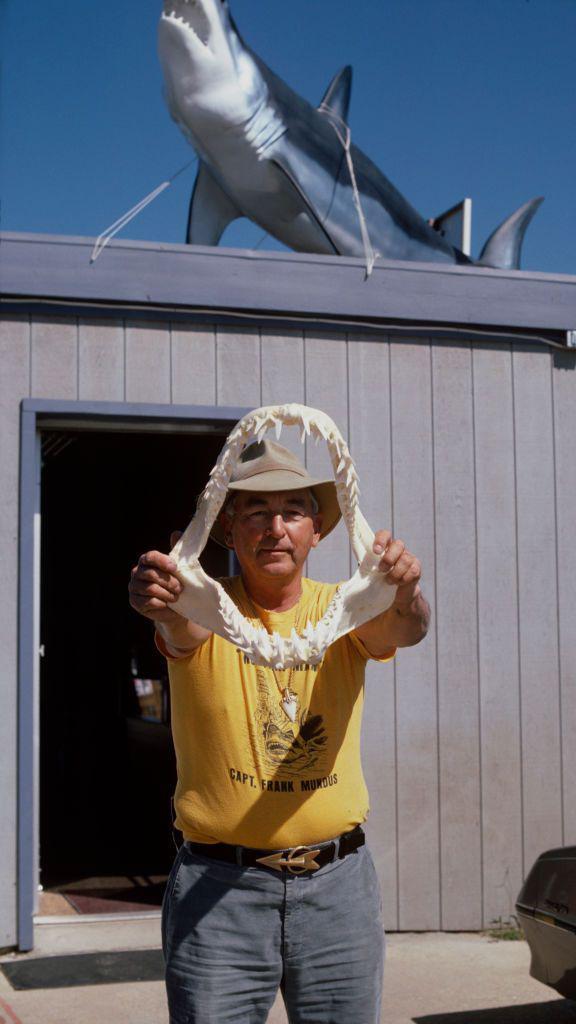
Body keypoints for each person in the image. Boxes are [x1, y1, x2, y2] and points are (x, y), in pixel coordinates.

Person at [129, 439, 430, 1024]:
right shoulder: (206, 606)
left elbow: (407, 628)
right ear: (230, 532)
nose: (275, 528)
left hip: (338, 888)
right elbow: (182, 625)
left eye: (292, 511)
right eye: (256, 513)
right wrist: (163, 599)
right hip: (219, 891)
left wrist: (406, 588)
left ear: (316, 531)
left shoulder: (347, 608)